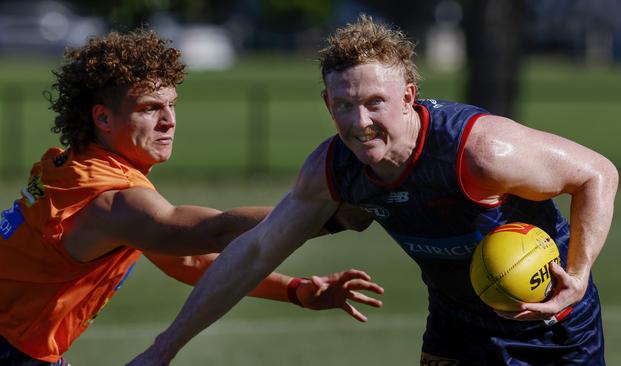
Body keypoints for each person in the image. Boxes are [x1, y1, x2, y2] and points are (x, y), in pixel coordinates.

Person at [129, 15, 619, 365]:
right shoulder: (333, 170)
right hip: (457, 325)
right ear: (327, 103)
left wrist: (577, 274)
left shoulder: (480, 152)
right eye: (344, 105)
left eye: (374, 103)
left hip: (552, 329)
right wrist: (162, 350)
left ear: (408, 96)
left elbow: (597, 173)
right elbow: (255, 252)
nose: (360, 123)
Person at [0, 29, 385, 366]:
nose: (169, 121)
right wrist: (330, 211)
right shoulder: (111, 200)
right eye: (150, 109)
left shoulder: (76, 167)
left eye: (171, 106)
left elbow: (186, 259)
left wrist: (296, 290)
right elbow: (211, 233)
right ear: (102, 118)